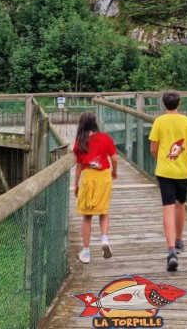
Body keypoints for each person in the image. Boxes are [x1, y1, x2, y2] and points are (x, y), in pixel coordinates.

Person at [149, 91, 187, 272]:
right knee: (180, 204)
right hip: (184, 171)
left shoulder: (159, 121)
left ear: (164, 104)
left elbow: (153, 147)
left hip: (165, 171)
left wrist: (161, 160)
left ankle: (171, 250)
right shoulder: (186, 121)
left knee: (167, 207)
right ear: (179, 103)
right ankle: (179, 240)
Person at [73, 112, 118, 264]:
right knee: (103, 211)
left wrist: (75, 184)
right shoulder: (105, 138)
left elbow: (79, 166)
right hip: (104, 176)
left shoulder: (80, 142)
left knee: (87, 216)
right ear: (95, 123)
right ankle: (104, 238)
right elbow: (114, 158)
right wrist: (114, 171)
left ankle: (86, 252)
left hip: (88, 178)